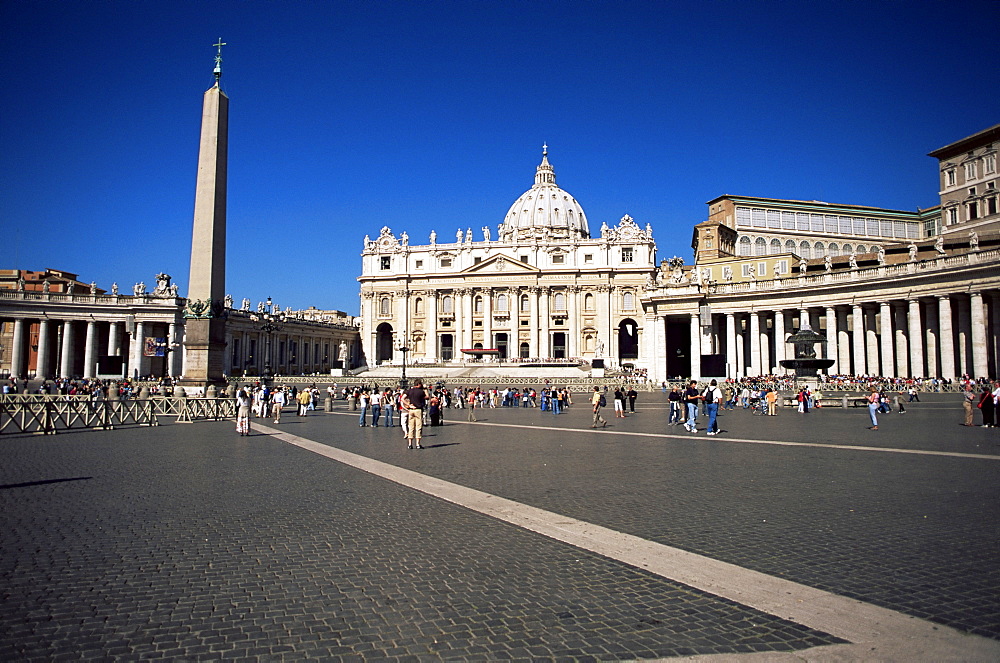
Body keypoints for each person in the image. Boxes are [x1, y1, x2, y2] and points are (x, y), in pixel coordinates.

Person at [402, 379, 428, 449]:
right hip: (418, 410)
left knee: (411, 427)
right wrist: (425, 389)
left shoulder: (409, 391)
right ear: (419, 384)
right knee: (418, 427)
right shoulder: (421, 392)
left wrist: (408, 404)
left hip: (411, 410)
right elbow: (427, 397)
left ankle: (410, 444)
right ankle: (417, 444)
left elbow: (402, 399)